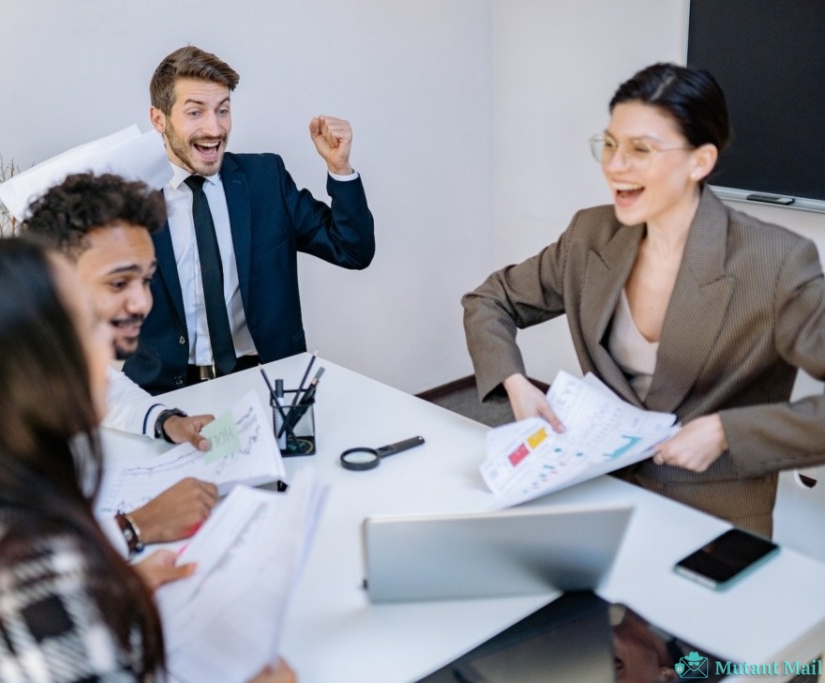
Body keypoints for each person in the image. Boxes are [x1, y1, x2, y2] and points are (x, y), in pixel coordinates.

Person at [0, 238, 295, 682]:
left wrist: (109, 593)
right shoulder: (29, 590)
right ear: (26, 373)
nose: (111, 344)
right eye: (88, 324)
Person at [462, 62, 825, 537]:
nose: (615, 165)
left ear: (700, 161)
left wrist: (726, 433)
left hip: (713, 510)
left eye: (640, 150)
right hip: (593, 484)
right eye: (610, 145)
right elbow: (490, 300)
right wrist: (516, 383)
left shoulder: (774, 261)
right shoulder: (590, 235)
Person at [122, 45, 376, 393]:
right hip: (165, 395)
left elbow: (353, 250)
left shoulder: (265, 178)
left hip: (267, 383)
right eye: (195, 113)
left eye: (223, 110)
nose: (215, 128)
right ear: (158, 119)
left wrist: (340, 169)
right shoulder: (126, 200)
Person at [21, 172, 219, 550]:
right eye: (118, 283)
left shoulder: (65, 351)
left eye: (146, 280)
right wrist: (136, 527)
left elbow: (107, 389)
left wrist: (166, 421)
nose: (143, 302)